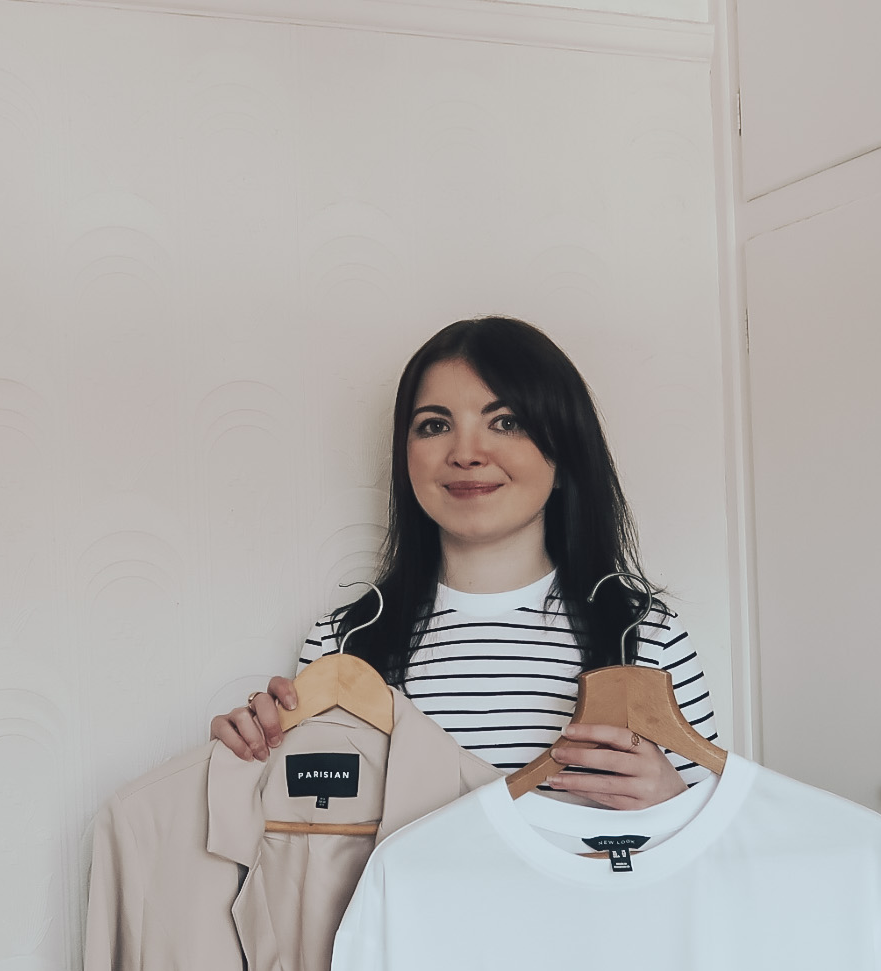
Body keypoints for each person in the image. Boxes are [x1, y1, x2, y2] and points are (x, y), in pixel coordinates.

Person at [210, 315, 716, 813]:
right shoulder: (343, 641)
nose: (466, 452)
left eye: (507, 422)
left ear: (564, 457)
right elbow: (311, 833)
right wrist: (250, 758)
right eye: (434, 425)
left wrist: (675, 803)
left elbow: (723, 848)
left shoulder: (642, 632)